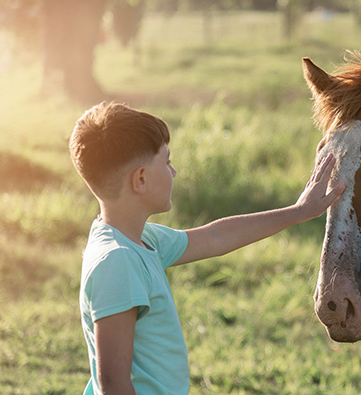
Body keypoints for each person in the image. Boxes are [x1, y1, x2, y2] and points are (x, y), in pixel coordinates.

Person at [69, 101, 345, 395]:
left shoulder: (139, 239)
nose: (173, 172)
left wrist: (299, 211)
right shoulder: (117, 262)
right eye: (166, 162)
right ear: (140, 179)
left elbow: (217, 237)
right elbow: (113, 382)